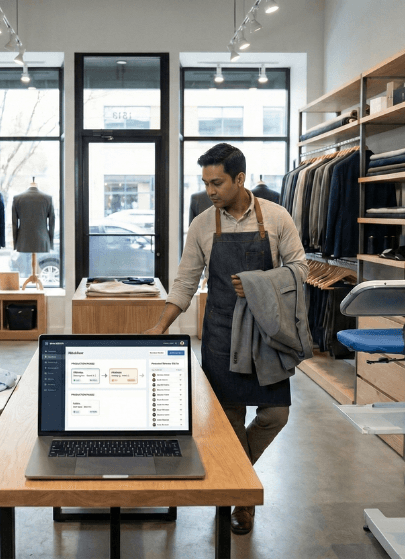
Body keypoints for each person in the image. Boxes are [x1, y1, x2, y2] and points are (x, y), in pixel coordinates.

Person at [144, 143, 308, 535]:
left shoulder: (277, 217)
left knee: (275, 415)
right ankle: (242, 501)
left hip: (267, 333)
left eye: (217, 183)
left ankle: (235, 478)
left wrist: (258, 283)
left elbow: (301, 268)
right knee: (230, 419)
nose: (210, 191)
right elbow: (185, 282)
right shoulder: (202, 224)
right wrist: (161, 325)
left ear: (239, 178)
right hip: (220, 333)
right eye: (205, 183)